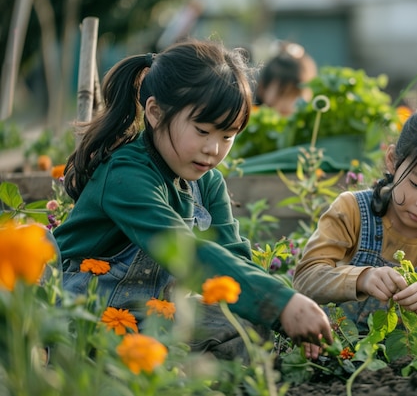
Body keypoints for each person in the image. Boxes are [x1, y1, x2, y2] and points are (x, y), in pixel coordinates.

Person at [53, 39, 332, 361]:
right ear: (156, 113)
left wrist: (282, 310)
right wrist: (282, 303)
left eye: (227, 136)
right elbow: (184, 250)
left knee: (249, 327)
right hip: (85, 308)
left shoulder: (207, 181)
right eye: (202, 131)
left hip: (152, 311)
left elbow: (233, 255)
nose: (214, 149)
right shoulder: (125, 174)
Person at [293, 102, 417, 345]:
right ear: (392, 161)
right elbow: (305, 279)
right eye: (416, 184)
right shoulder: (352, 210)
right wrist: (362, 278)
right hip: (342, 354)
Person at [254, 41, 317, 116]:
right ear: (262, 88)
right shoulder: (248, 120)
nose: (288, 105)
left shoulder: (314, 123)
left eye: (296, 95)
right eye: (282, 93)